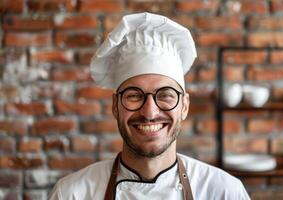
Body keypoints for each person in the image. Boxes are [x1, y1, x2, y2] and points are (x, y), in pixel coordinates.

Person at [49, 12, 250, 200]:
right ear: (115, 106)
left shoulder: (224, 191)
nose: (149, 112)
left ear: (184, 106)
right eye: (134, 95)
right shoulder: (71, 194)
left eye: (165, 95)